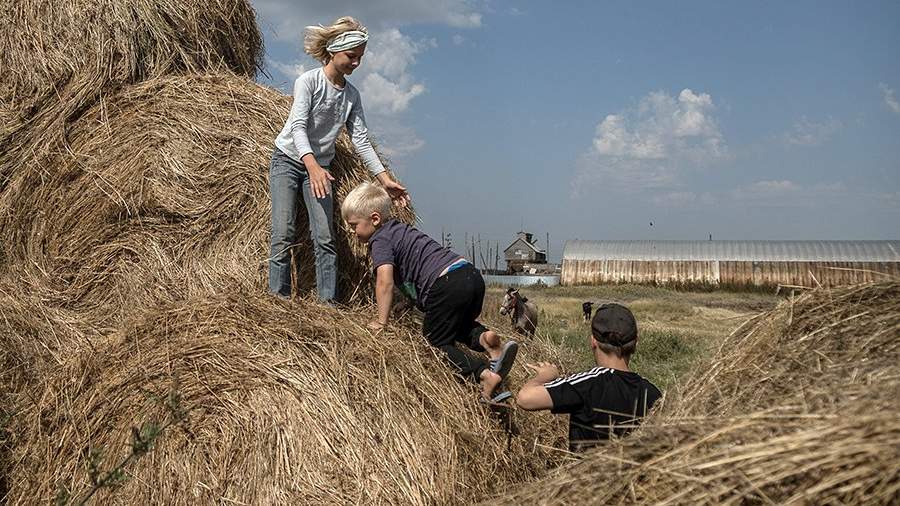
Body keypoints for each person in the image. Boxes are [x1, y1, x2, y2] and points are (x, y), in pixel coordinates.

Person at [268, 16, 409, 301]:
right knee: (284, 231)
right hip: (288, 160)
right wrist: (312, 166)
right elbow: (297, 127)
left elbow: (360, 139)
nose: (356, 63)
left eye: (360, 58)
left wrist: (385, 180)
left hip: (321, 168)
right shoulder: (308, 81)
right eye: (351, 56)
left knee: (325, 237)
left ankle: (327, 306)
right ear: (333, 51)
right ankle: (277, 301)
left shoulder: (352, 96)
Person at [341, 182, 519, 402]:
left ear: (375, 219)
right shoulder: (400, 230)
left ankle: (483, 375)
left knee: (434, 342)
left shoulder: (380, 240)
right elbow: (415, 271)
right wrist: (407, 302)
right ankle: (486, 339)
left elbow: (384, 282)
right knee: (451, 325)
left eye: (354, 225)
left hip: (445, 284)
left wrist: (381, 321)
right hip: (469, 275)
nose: (351, 231)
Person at [516, 303, 661, 452]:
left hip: (585, 473)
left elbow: (525, 398)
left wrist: (546, 376)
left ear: (593, 342)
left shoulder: (588, 383)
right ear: (636, 343)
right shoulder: (653, 393)